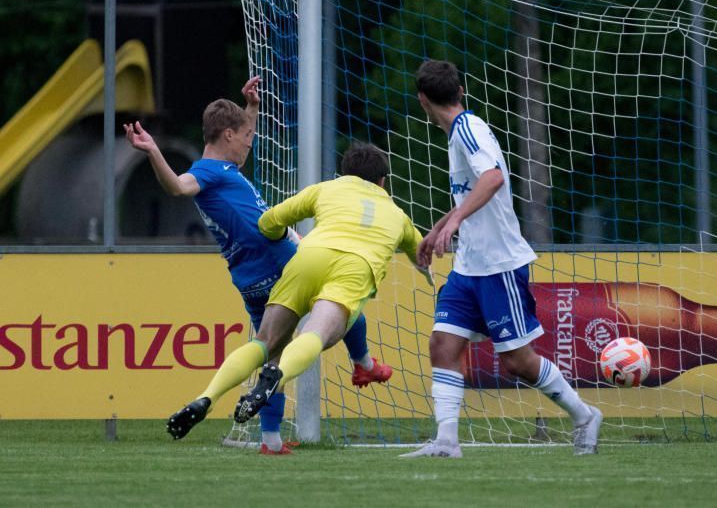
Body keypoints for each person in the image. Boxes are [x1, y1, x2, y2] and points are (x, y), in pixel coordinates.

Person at [123, 77, 392, 454]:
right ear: (228, 135)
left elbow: (233, 156)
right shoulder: (207, 172)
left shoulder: (224, 170)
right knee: (345, 301)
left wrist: (251, 108)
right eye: (245, 134)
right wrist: (153, 151)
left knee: (271, 356)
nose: (251, 139)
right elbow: (178, 188)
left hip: (248, 276)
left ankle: (270, 440)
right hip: (280, 259)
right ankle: (364, 363)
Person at [401, 60, 602, 458]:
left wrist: (454, 219)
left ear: (422, 99)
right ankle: (446, 442)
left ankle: (584, 415)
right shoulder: (459, 133)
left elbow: (492, 178)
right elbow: (471, 192)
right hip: (468, 267)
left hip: (498, 267)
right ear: (460, 90)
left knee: (516, 361)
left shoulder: (468, 129)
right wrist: (440, 227)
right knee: (443, 343)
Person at [165, 141, 429, 437]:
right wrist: (431, 278)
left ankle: (208, 397)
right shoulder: (399, 216)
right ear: (383, 182)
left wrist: (278, 233)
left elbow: (268, 222)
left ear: (344, 173)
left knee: (265, 342)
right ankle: (277, 376)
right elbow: (422, 257)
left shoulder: (325, 189)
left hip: (308, 258)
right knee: (313, 335)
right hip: (353, 268)